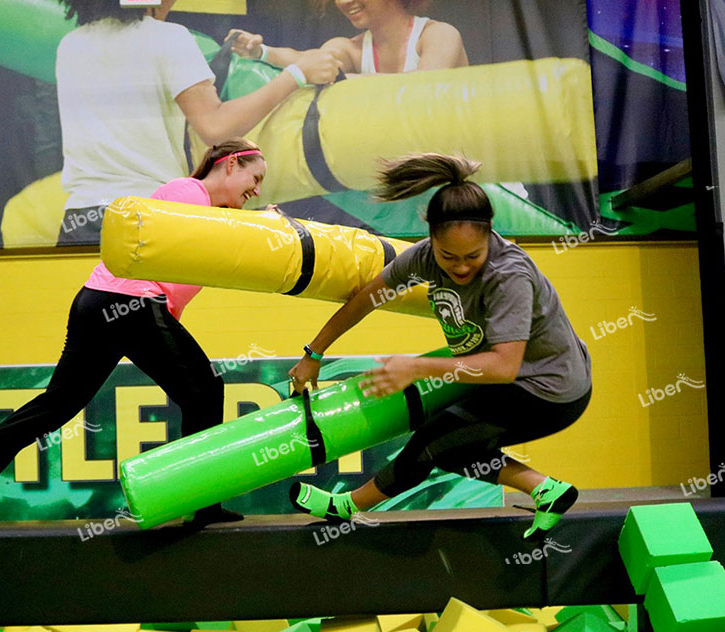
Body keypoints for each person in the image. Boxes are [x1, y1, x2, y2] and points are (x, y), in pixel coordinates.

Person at [0, 140, 269, 526]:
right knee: (206, 390)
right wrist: (266, 225)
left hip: (99, 304)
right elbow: (209, 236)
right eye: (254, 177)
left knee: (55, 405)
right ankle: (202, 502)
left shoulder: (208, 210)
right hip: (130, 303)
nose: (256, 190)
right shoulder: (187, 191)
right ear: (229, 166)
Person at [287, 153, 592, 541]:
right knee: (446, 445)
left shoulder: (508, 275)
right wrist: (314, 353)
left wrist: (415, 368)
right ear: (431, 238)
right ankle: (547, 490)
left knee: (434, 441)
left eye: (472, 257)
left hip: (551, 389)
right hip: (520, 380)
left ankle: (349, 505)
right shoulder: (423, 259)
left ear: (490, 236)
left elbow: (504, 367)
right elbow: (367, 299)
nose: (461, 267)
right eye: (449, 256)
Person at [54, 0, 340, 242]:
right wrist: (296, 75)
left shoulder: (71, 44)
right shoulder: (168, 38)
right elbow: (215, 128)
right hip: (150, 215)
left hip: (80, 220)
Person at [227, 0, 466, 78]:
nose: (343, 1)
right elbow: (305, 59)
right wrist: (261, 52)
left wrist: (348, 80)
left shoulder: (439, 35)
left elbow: (422, 90)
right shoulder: (350, 48)